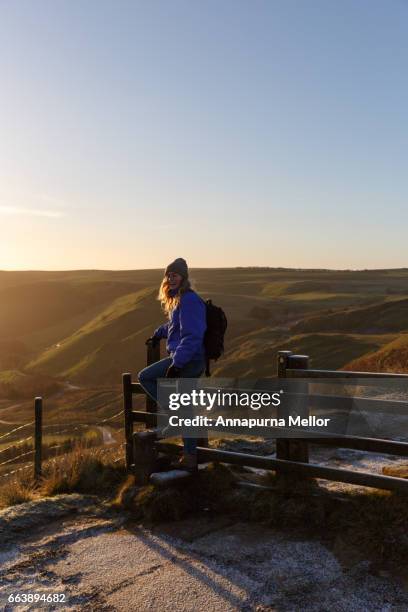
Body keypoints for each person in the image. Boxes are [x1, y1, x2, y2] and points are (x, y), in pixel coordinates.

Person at [138, 257, 206, 471]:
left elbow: (192, 335)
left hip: (190, 359)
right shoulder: (179, 299)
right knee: (185, 407)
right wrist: (158, 334)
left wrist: (177, 363)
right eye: (168, 275)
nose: (171, 278)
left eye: (175, 275)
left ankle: (190, 455)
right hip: (186, 357)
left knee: (146, 377)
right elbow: (175, 325)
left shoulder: (190, 300)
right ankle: (190, 455)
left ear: (183, 277)